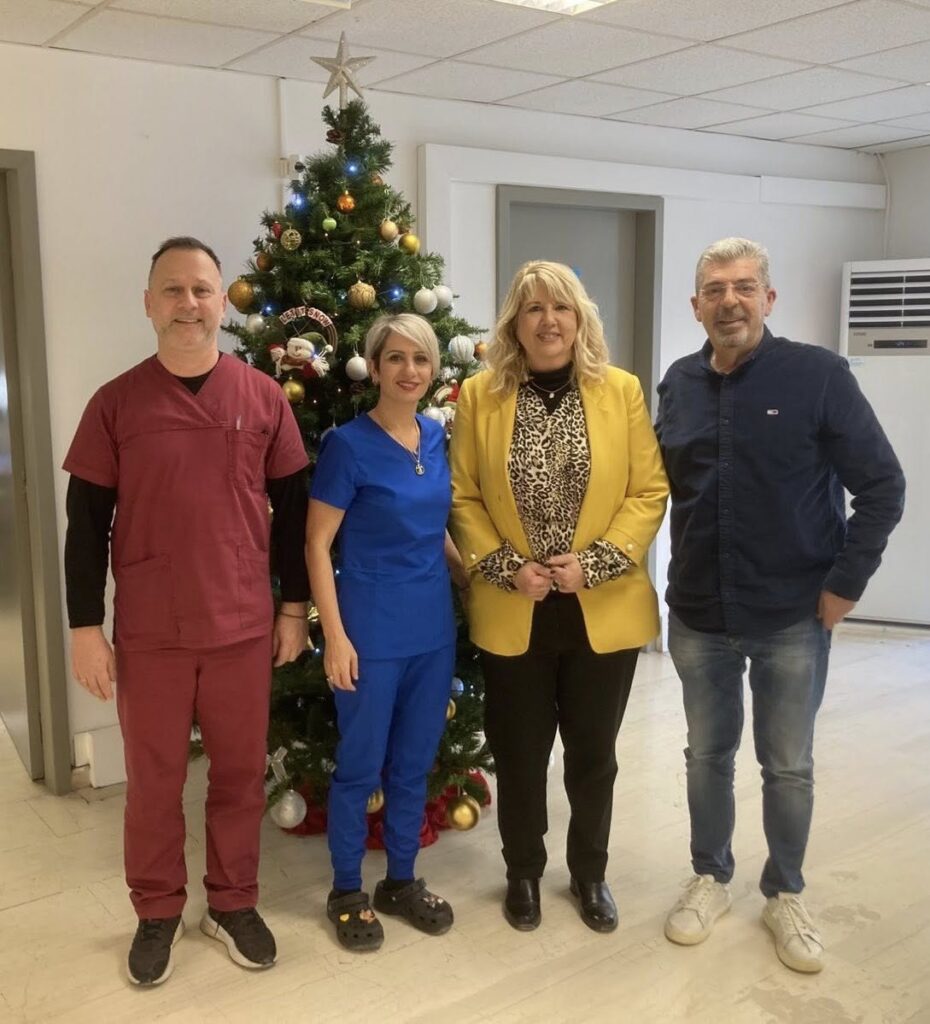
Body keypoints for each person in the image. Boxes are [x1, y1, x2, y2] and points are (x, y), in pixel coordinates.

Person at [64, 237, 310, 986]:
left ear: (222, 302)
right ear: (148, 304)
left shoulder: (262, 398)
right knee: (154, 783)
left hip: (241, 625)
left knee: (238, 775)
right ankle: (157, 910)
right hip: (153, 632)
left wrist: (293, 609)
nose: (188, 304)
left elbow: (294, 513)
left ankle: (232, 903)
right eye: (172, 290)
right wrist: (85, 628)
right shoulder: (115, 405)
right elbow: (86, 526)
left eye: (202, 290)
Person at [655, 237, 905, 973]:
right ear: (695, 306)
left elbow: (882, 485)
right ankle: (710, 876)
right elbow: (655, 488)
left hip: (793, 611)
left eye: (744, 287)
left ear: (768, 298)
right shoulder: (678, 384)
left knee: (788, 764)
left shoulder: (818, 375)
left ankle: (785, 892)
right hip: (699, 610)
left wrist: (846, 583)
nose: (729, 301)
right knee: (706, 754)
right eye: (714, 289)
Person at [449, 261, 668, 933]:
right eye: (534, 308)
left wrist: (594, 565)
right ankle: (523, 871)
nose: (548, 320)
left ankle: (590, 873)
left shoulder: (620, 390)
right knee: (519, 754)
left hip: (600, 608)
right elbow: (463, 497)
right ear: (514, 323)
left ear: (580, 319)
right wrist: (506, 567)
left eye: (561, 308)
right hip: (515, 606)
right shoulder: (480, 395)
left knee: (593, 756)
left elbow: (648, 490)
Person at [306, 313, 466, 952]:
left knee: (414, 763)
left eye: (421, 358)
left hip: (433, 629)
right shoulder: (348, 445)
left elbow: (436, 525)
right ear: (373, 368)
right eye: (395, 358)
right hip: (369, 631)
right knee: (360, 766)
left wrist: (466, 575)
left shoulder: (436, 436)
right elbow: (317, 545)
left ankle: (400, 880)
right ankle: (347, 890)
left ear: (433, 369)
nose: (409, 370)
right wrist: (336, 637)